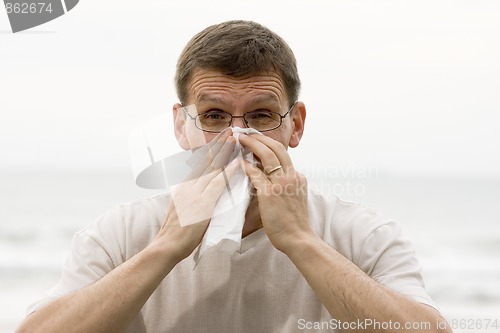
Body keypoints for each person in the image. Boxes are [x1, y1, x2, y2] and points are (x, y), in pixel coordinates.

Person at [16, 20, 451, 333]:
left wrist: (302, 241)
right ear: (180, 126)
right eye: (213, 116)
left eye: (261, 115)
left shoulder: (363, 234)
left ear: (295, 124)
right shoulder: (120, 234)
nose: (237, 136)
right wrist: (167, 246)